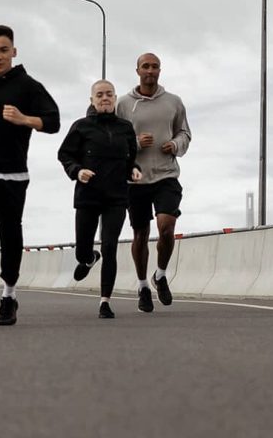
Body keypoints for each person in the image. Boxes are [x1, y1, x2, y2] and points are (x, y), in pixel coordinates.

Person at [0, 25, 60, 326]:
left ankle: (9, 296)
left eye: (3, 50)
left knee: (10, 233)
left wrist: (24, 119)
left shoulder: (28, 86)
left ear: (14, 52)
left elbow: (54, 121)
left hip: (15, 170)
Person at [58, 80, 142, 318]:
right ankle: (87, 259)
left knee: (110, 246)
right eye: (100, 95)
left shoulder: (125, 128)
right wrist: (77, 171)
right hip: (88, 196)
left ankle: (105, 302)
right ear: (92, 100)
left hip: (116, 197)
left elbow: (130, 159)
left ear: (115, 98)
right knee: (82, 249)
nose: (105, 98)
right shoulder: (81, 127)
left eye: (109, 94)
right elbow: (64, 154)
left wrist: (134, 170)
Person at [116, 53, 191, 312]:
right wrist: (136, 144)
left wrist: (176, 144)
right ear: (137, 70)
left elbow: (185, 132)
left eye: (155, 66)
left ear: (160, 70)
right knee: (141, 234)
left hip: (166, 175)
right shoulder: (123, 104)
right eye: (145, 66)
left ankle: (160, 274)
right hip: (135, 179)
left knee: (166, 226)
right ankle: (142, 286)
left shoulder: (173, 102)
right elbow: (114, 140)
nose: (150, 70)